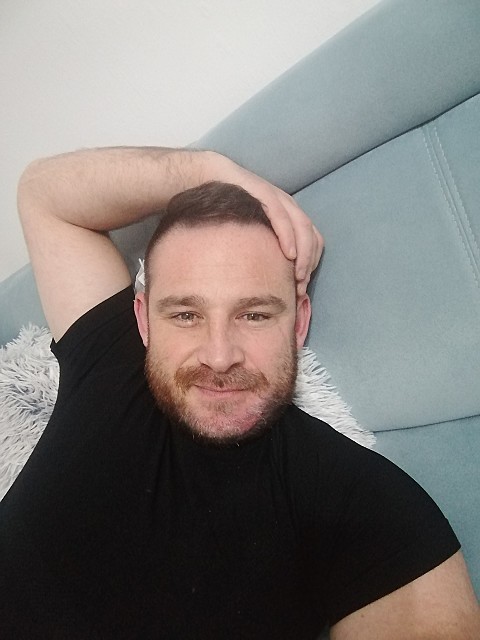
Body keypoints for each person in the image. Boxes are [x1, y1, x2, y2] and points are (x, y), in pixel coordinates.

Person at [0, 146, 478, 639]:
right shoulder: (111, 364)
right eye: (186, 315)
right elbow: (45, 193)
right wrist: (208, 169)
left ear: (299, 323)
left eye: (254, 315)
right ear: (143, 321)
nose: (219, 355)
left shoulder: (369, 509)